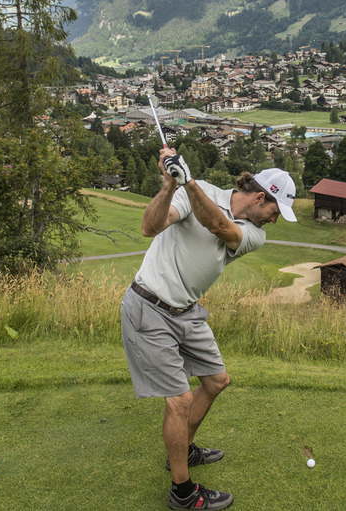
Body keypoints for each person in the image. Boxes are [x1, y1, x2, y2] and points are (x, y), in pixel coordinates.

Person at [120, 148, 297, 510]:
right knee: (180, 401)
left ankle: (182, 450)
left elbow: (218, 226)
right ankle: (183, 493)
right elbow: (149, 227)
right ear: (260, 198)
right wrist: (171, 184)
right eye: (275, 212)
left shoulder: (254, 233)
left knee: (216, 380)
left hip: (186, 312)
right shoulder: (196, 191)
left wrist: (188, 182)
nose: (275, 220)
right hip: (148, 307)